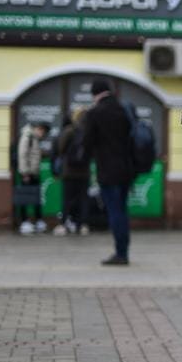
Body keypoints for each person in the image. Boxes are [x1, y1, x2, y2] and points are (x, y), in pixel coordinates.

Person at [82, 79, 134, 265]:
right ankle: (123, 250)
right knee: (122, 210)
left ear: (95, 94)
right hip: (126, 169)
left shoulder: (95, 113)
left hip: (107, 170)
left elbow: (87, 142)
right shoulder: (123, 110)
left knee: (114, 212)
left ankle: (121, 254)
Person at [54, 107, 91, 236]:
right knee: (83, 199)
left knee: (67, 199)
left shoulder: (69, 130)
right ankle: (82, 226)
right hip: (85, 171)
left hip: (69, 171)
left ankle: (64, 225)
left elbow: (60, 148)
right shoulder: (89, 132)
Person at [16, 121, 49, 235]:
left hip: (34, 173)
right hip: (27, 174)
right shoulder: (28, 137)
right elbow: (22, 155)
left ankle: (38, 221)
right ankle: (25, 222)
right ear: (39, 129)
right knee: (25, 198)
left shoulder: (34, 138)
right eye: (43, 133)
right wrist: (25, 173)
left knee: (36, 198)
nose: (43, 136)